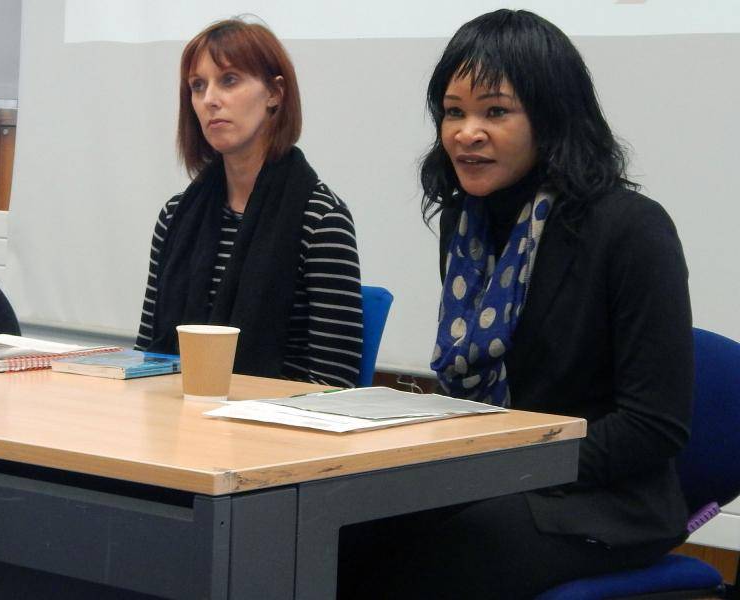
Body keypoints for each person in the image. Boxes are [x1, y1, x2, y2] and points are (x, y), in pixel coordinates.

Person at [343, 10, 693, 598]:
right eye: (453, 112)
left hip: (601, 499)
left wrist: (508, 468)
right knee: (341, 530)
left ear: (552, 118)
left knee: (441, 556)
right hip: (492, 474)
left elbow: (652, 427)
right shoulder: (466, 223)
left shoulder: (631, 228)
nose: (465, 132)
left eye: (495, 112)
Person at [135, 18, 363, 388]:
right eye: (197, 86)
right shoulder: (175, 216)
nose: (210, 99)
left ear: (275, 93)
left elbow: (334, 382)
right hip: (175, 418)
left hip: (278, 431)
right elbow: (147, 355)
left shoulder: (320, 219)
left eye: (229, 80)